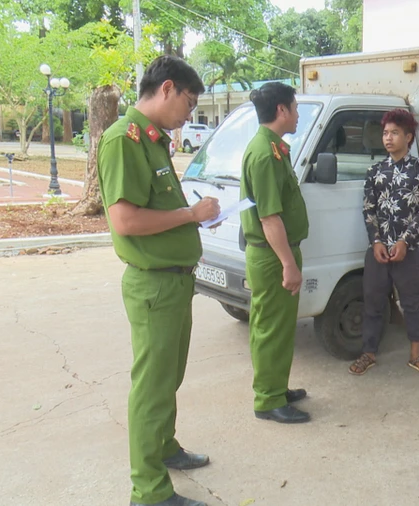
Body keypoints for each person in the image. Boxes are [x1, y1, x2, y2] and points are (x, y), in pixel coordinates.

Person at [97, 55, 219, 506]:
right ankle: (148, 491)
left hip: (174, 282)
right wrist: (190, 214)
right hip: (153, 286)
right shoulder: (124, 141)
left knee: (169, 377)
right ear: (167, 89)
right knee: (151, 388)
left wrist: (192, 223)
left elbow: (158, 211)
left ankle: (165, 447)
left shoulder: (153, 141)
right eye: (189, 102)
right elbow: (125, 220)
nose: (191, 113)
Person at [240, 82, 311, 424]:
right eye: (295, 108)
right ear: (281, 110)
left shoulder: (274, 148)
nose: (297, 115)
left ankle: (276, 387)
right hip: (272, 256)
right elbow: (269, 217)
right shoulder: (265, 153)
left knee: (279, 327)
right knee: (270, 327)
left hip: (277, 253)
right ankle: (268, 399)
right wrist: (288, 264)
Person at [349, 109, 419, 376]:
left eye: (395, 133)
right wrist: (376, 242)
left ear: (408, 137)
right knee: (373, 302)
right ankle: (369, 353)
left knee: (412, 302)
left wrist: (405, 242)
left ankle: (415, 355)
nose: (388, 138)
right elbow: (369, 209)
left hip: (407, 253)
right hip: (377, 252)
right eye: (385, 133)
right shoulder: (375, 172)